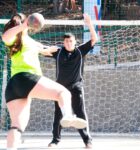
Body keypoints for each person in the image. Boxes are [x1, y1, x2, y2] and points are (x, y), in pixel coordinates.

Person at [2, 13, 87, 150]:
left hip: (13, 86)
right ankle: (68, 116)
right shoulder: (16, 38)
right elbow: (5, 36)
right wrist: (24, 25)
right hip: (27, 78)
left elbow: (45, 50)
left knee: (17, 126)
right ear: (24, 24)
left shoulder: (29, 41)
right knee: (63, 92)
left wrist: (54, 49)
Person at [48, 14, 98, 149]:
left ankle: (87, 140)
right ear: (63, 43)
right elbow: (41, 51)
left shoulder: (80, 51)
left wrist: (89, 23)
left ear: (75, 41)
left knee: (80, 113)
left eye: (70, 41)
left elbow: (94, 39)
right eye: (66, 41)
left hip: (76, 87)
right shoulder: (58, 52)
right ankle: (55, 141)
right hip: (60, 89)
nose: (68, 43)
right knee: (58, 114)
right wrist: (47, 50)